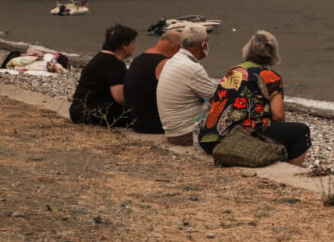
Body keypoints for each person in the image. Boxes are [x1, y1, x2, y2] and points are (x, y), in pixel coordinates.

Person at [198, 31, 311, 167]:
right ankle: (292, 168)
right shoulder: (270, 76)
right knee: (302, 132)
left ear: (248, 50)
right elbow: (278, 115)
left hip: (208, 139)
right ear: (273, 53)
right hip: (235, 140)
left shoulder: (233, 71)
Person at [156, 25, 216, 145]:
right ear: (204, 45)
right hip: (186, 133)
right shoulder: (193, 68)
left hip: (172, 131)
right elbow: (216, 97)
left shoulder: (173, 61)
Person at [69, 24, 138, 127]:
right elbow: (120, 97)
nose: (134, 46)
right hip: (95, 113)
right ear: (124, 45)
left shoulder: (99, 58)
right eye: (133, 42)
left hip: (78, 110)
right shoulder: (114, 64)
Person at [123, 31, 182, 134]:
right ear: (176, 48)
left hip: (137, 121)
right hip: (154, 124)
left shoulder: (138, 60)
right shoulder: (164, 63)